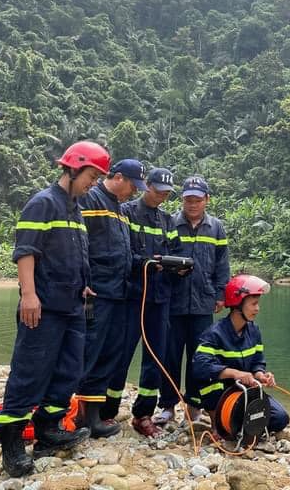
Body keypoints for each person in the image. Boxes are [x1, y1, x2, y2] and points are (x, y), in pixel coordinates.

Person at [0, 141, 109, 478]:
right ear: (72, 169)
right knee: (30, 372)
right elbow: (26, 251)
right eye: (91, 175)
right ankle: (11, 446)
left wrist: (83, 283)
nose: (94, 183)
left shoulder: (75, 208)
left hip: (72, 304)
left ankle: (49, 430)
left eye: (98, 177)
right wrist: (28, 295)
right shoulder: (42, 203)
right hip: (42, 307)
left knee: (70, 369)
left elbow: (73, 254)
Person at [73, 158, 147, 438]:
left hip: (118, 293)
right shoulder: (90, 200)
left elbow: (123, 253)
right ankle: (79, 415)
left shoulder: (120, 209)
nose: (134, 191)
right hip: (95, 293)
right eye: (132, 185)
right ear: (117, 177)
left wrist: (147, 262)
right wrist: (84, 281)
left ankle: (95, 415)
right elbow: (79, 245)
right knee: (90, 349)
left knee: (109, 352)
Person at [153, 175, 230, 425]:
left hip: (203, 304)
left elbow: (222, 264)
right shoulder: (170, 222)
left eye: (197, 199)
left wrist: (220, 294)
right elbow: (160, 259)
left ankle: (194, 407)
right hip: (172, 302)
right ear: (182, 200)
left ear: (207, 200)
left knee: (200, 358)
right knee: (170, 356)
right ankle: (167, 405)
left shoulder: (216, 227)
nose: (192, 204)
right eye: (188, 199)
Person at [110, 167, 178, 438]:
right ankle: (107, 410)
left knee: (155, 357)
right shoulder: (126, 212)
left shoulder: (167, 220)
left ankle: (143, 414)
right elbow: (122, 253)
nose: (162, 197)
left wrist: (178, 266)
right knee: (120, 353)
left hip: (159, 298)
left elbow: (175, 252)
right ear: (146, 185)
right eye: (158, 190)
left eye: (166, 193)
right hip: (131, 297)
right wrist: (148, 263)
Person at [190, 274, 290, 437]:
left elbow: (257, 361)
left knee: (281, 419)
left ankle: (239, 423)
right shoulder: (214, 334)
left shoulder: (254, 331)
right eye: (254, 304)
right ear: (237, 304)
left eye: (258, 304)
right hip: (222, 393)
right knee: (209, 383)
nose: (257, 309)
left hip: (245, 392)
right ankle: (218, 422)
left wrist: (261, 375)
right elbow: (200, 367)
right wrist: (235, 373)